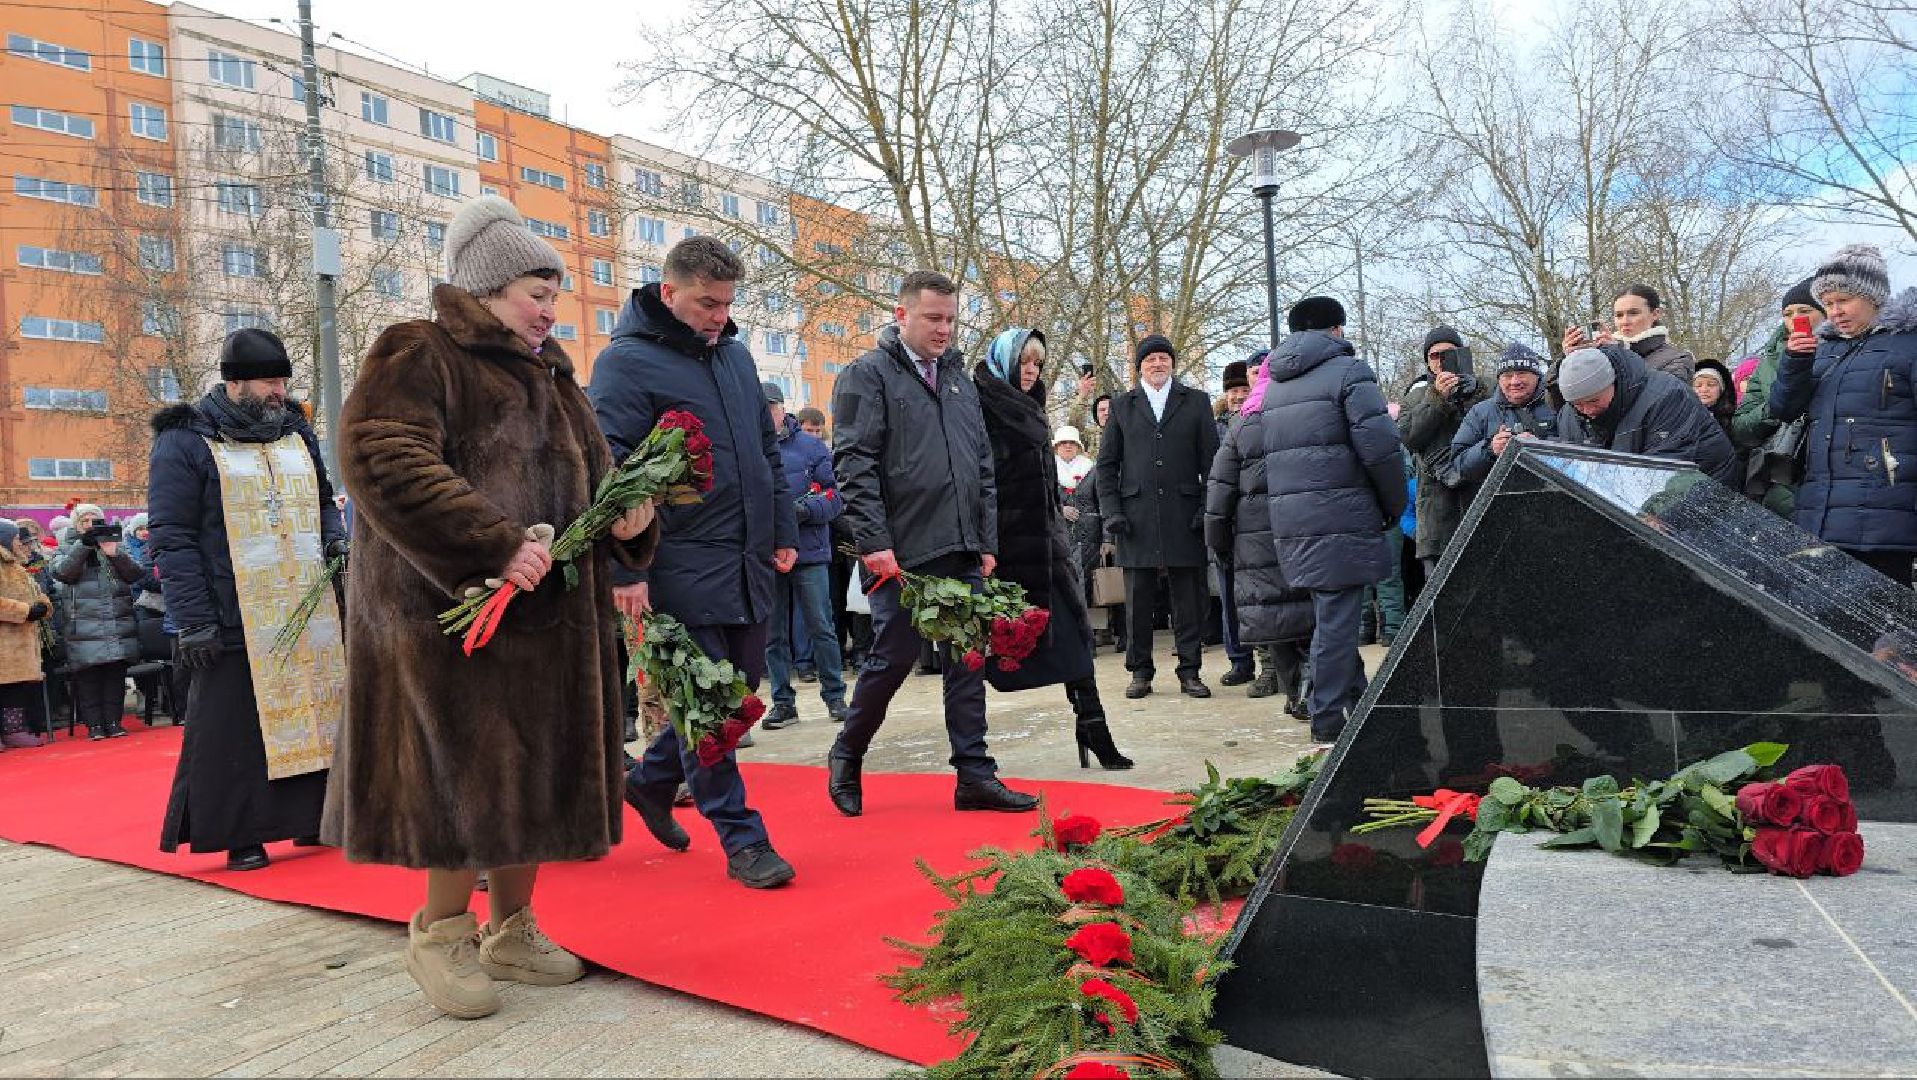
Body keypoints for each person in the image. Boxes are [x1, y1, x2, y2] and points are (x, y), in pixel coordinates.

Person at [326, 196, 659, 1019]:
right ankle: (441, 933)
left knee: (535, 769)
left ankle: (511, 929)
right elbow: (379, 455)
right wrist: (491, 542)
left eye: (553, 294)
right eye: (534, 293)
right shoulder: (421, 351)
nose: (549, 310)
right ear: (484, 289)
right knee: (464, 774)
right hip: (450, 613)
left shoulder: (555, 376)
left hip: (553, 619)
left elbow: (598, 473)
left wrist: (633, 516)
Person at [591, 236, 797, 889]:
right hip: (676, 560)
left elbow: (766, 452)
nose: (718, 316)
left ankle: (650, 782)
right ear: (667, 290)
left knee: (739, 693)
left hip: (748, 558)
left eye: (726, 304)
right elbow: (608, 466)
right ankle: (743, 840)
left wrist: (782, 527)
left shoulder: (733, 356)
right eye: (706, 303)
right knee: (706, 704)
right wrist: (627, 568)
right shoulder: (625, 363)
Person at [827, 271, 1036, 817]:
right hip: (902, 552)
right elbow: (854, 465)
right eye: (933, 319)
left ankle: (974, 774)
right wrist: (873, 541)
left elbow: (981, 465)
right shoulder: (866, 376)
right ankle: (847, 752)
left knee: (968, 661)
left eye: (951, 319)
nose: (945, 330)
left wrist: (986, 540)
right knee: (891, 659)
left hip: (962, 545)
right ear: (902, 316)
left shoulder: (960, 382)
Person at [147, 329, 343, 869]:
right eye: (269, 382)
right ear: (234, 383)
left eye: (284, 381)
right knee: (234, 727)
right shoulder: (186, 440)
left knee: (315, 708)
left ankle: (312, 819)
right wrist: (193, 621)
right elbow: (172, 534)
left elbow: (325, 500)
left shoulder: (296, 430)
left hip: (306, 602)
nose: (280, 392)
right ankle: (241, 832)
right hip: (228, 610)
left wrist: (334, 538)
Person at [976, 327, 1130, 769]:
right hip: (1001, 551)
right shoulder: (981, 405)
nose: (1031, 371)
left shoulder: (1031, 407)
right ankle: (971, 757)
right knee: (979, 660)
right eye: (1024, 362)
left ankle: (1094, 730)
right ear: (1005, 361)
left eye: (1037, 364)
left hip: (1046, 547)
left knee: (1077, 643)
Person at [1258, 297, 1407, 750]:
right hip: (1341, 513)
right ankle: (1324, 718)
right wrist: (1393, 504)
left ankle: (1363, 703)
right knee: (1337, 618)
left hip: (1293, 519)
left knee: (1332, 612)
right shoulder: (1349, 372)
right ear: (1337, 329)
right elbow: (1381, 447)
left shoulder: (1276, 386)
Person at [1769, 244, 1917, 584]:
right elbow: (1784, 409)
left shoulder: (1908, 345)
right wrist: (1795, 362)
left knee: (1885, 627)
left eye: (1844, 301)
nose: (1835, 312)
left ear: (1874, 296)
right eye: (1829, 303)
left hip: (1887, 518)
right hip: (1820, 514)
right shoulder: (1824, 349)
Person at [1095, 333, 1220, 700]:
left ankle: (1190, 670)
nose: (1158, 363)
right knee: (1137, 601)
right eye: (1150, 359)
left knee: (1188, 600)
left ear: (1173, 363)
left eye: (1164, 357)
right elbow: (1106, 467)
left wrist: (1206, 509)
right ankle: (1140, 672)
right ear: (1139, 367)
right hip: (1135, 519)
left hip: (1185, 515)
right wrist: (1112, 512)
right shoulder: (1122, 406)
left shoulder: (1196, 402)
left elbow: (1213, 464)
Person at [1207, 361, 1312, 720]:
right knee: (1308, 612)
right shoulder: (1304, 418)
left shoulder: (1242, 427)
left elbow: (1220, 490)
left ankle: (1294, 693)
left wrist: (1218, 541)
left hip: (1255, 540)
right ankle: (1316, 689)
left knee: (1275, 616)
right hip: (1301, 530)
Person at [761, 381, 847, 729]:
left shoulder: (812, 448)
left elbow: (836, 497)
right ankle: (782, 702)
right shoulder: (749, 448)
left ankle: (835, 696)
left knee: (821, 627)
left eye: (771, 408)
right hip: (766, 554)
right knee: (773, 634)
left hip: (809, 551)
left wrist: (801, 511)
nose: (766, 415)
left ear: (782, 409)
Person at [1555, 344, 1739, 486]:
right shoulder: (1568, 416)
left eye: (1594, 401)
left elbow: (1668, 466)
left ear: (1613, 383)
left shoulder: (1667, 396)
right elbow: (1575, 466)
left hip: (1707, 487)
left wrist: (1647, 512)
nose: (1587, 410)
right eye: (1577, 404)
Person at [1398, 327, 1489, 577]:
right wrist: (1438, 399)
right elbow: (1409, 438)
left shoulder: (1486, 387)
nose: (1440, 361)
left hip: (1482, 503)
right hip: (1437, 516)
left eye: (1447, 354)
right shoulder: (1415, 397)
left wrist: (1474, 392)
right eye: (1434, 355)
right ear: (1427, 362)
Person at [1734, 278, 1826, 519]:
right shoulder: (1769, 361)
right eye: (1788, 313)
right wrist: (1776, 409)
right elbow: (1741, 427)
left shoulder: (1843, 352)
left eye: (1805, 311)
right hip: (1776, 477)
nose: (1796, 319)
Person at [51, 508, 140, 740]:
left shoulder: (114, 545)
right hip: (83, 624)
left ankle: (113, 721)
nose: (90, 523)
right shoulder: (65, 546)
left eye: (95, 520)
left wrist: (114, 554)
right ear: (76, 524)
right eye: (84, 520)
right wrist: (84, 545)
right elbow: (62, 573)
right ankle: (94, 726)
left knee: (114, 674)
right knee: (88, 676)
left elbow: (135, 574)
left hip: (115, 621)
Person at [1448, 344, 1557, 500]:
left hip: (1554, 498)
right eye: (1507, 375)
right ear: (1499, 379)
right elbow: (1459, 465)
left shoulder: (1556, 403)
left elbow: (1578, 450)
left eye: (1522, 373)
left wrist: (1540, 447)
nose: (1515, 381)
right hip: (1500, 506)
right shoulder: (1480, 412)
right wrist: (1490, 449)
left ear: (1537, 376)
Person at [1213, 358, 1257, 686]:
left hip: (1257, 520)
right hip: (1225, 521)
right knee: (1228, 594)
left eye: (1244, 388)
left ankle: (1272, 663)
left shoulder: (1261, 419)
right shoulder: (1213, 428)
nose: (1239, 395)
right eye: (1233, 390)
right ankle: (1239, 659)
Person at [1558, 284, 1695, 383]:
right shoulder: (1601, 353)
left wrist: (1620, 356)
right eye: (1619, 315)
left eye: (1633, 313)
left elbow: (1665, 398)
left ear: (1655, 314)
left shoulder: (1679, 358)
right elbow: (1558, 404)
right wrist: (1568, 361)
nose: (1625, 321)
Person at [0, 521, 52, 750]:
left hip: (19, 641)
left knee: (15, 688)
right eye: (14, 538)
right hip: (4, 639)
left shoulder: (17, 565)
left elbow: (38, 593)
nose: (19, 543)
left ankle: (14, 731)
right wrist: (24, 611)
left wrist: (42, 607)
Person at [1691, 359, 1738, 440]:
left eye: (1711, 385)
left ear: (1721, 389)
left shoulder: (1734, 418)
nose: (1704, 389)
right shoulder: (1682, 416)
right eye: (1698, 385)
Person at [1054, 426, 1093, 496]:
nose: (1068, 446)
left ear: (1077, 447)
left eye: (1072, 442)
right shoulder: (1049, 466)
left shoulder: (1088, 465)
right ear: (1056, 447)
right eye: (1063, 442)